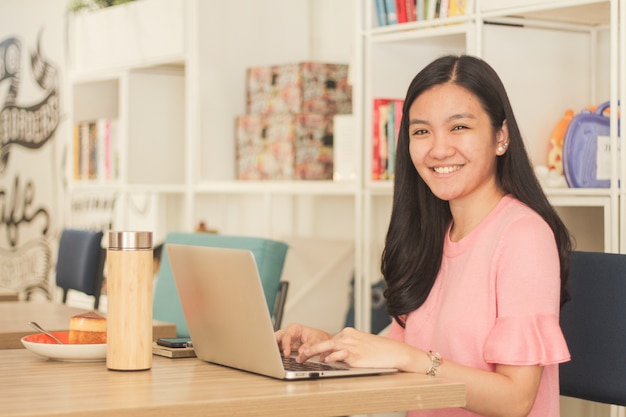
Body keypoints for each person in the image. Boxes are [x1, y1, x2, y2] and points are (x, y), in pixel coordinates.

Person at [275, 54, 572, 417]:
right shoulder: (433, 233)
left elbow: (515, 400)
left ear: (500, 136)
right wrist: (329, 347)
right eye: (421, 131)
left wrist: (411, 359)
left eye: (459, 127)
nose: (438, 148)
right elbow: (396, 348)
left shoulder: (524, 235)